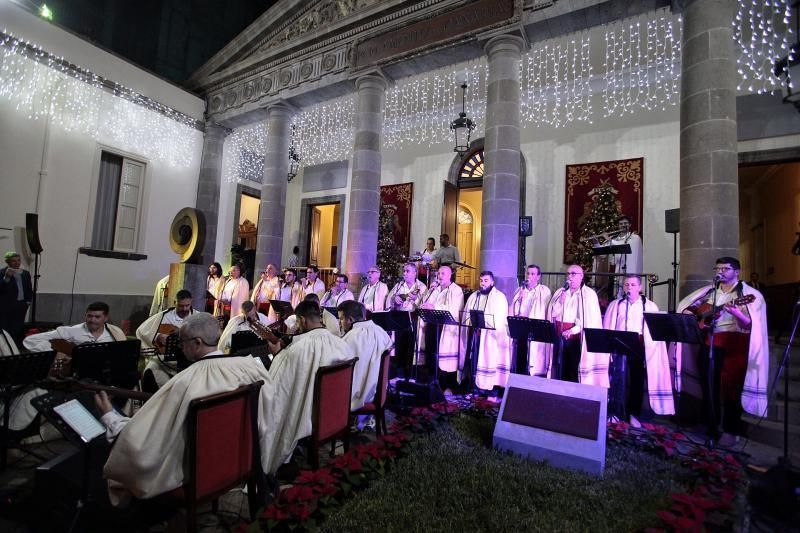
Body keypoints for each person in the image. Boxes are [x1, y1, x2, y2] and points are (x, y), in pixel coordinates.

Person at [96, 313, 271, 507]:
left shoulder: (185, 382)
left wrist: (110, 417)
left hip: (200, 473)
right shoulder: (249, 367)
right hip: (239, 461)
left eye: (182, 341)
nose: (180, 346)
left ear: (197, 342)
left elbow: (146, 438)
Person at [676, 257, 768, 447]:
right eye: (717, 268)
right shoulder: (710, 292)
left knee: (731, 389)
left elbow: (750, 324)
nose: (720, 271)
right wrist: (696, 315)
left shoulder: (749, 294)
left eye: (725, 268)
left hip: (734, 342)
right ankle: (710, 424)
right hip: (710, 341)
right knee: (708, 384)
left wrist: (737, 314)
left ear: (737, 272)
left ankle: (731, 430)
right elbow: (691, 309)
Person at [260, 300, 353, 473]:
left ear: (302, 321)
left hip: (310, 417)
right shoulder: (342, 344)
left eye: (297, 322)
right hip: (334, 412)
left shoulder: (297, 350)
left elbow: (278, 389)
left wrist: (278, 355)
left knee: (269, 408)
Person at [603, 275, 675, 426]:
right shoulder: (616, 304)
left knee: (636, 380)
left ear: (640, 287)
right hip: (619, 344)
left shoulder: (649, 306)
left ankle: (633, 413)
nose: (629, 287)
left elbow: (653, 330)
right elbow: (608, 325)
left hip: (639, 346)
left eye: (633, 285)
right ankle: (615, 411)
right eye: (627, 285)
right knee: (616, 378)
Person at [545, 265, 605, 386]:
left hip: (576, 338)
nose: (569, 277)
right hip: (558, 335)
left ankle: (571, 395)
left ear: (581, 276)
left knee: (572, 368)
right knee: (558, 366)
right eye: (568, 274)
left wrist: (571, 331)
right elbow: (553, 313)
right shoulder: (560, 292)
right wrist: (560, 302)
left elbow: (587, 319)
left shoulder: (589, 294)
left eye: (573, 274)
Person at [338, 300, 393, 410]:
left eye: (341, 319)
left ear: (350, 319)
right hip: (379, 392)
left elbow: (340, 366)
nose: (339, 323)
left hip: (357, 396)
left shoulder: (351, 338)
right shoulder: (381, 331)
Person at [136, 289, 197, 389]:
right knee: (151, 369)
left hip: (189, 359)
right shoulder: (164, 316)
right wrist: (158, 336)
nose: (185, 309)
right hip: (163, 358)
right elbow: (142, 330)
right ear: (175, 303)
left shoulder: (197, 317)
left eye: (187, 305)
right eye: (181, 306)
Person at [463, 271, 511, 393]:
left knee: (488, 360)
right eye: (481, 280)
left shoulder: (499, 297)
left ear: (492, 282)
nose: (483, 283)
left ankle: (489, 388)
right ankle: (474, 385)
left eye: (486, 281)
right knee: (474, 358)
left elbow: (500, 318)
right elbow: (466, 314)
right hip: (476, 334)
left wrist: (485, 320)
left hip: (491, 337)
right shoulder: (475, 296)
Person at [417, 265, 464, 385]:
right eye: (438, 273)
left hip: (447, 328)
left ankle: (445, 384)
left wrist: (433, 307)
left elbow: (453, 309)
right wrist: (429, 292)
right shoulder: (435, 289)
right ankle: (432, 379)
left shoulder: (456, 290)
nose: (439, 276)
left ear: (450, 275)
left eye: (442, 273)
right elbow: (426, 303)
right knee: (431, 352)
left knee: (443, 356)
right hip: (432, 324)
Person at [24, 301, 127, 354]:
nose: (92, 320)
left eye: (97, 317)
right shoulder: (72, 331)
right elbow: (30, 340)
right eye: (89, 316)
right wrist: (55, 354)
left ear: (105, 318)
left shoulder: (114, 333)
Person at [509, 264, 552, 376]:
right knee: (521, 354)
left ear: (538, 277)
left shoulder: (544, 291)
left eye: (532, 274)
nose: (529, 276)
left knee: (534, 356)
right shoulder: (519, 290)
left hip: (535, 328)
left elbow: (547, 310)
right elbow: (513, 310)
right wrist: (519, 299)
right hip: (521, 327)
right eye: (527, 273)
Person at [0, 329, 45, 431]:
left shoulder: (3, 333)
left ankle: (10, 431)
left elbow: (17, 367)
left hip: (8, 391)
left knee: (37, 390)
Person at [386, 263, 427, 377]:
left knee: (411, 347)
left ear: (415, 273)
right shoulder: (399, 286)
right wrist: (395, 298)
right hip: (400, 319)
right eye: (404, 271)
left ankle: (410, 374)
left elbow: (426, 304)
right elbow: (389, 298)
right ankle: (399, 373)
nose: (404, 273)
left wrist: (416, 299)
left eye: (407, 271)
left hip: (414, 319)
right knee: (400, 346)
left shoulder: (422, 287)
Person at [0, 251, 33, 343]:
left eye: (18, 260)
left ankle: (16, 348)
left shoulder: (25, 273)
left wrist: (28, 302)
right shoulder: (2, 272)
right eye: (13, 261)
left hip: (21, 305)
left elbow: (29, 288)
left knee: (17, 328)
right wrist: (6, 278)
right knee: (6, 329)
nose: (17, 263)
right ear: (8, 262)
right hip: (6, 307)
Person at [609, 215, 643, 296]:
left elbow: (625, 246)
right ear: (618, 226)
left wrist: (611, 241)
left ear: (630, 225)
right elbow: (612, 260)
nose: (623, 225)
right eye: (621, 224)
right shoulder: (616, 239)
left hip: (630, 272)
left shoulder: (635, 238)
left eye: (626, 223)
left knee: (629, 294)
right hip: (619, 271)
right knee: (618, 294)